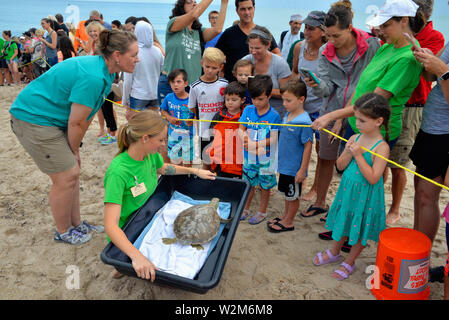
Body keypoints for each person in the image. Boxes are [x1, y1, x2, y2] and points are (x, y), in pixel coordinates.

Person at [9, 29, 139, 245]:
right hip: (33, 118)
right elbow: (76, 122)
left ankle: (77, 223)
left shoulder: (105, 71)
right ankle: (63, 230)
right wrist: (74, 150)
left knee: (73, 171)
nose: (138, 58)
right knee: (66, 176)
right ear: (117, 55)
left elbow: (85, 116)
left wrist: (74, 147)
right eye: (133, 55)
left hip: (52, 118)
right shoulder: (93, 76)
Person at [311, 0, 424, 220]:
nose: (380, 30)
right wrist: (342, 117)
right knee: (350, 177)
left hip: (375, 131)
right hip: (356, 124)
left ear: (404, 21)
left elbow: (373, 102)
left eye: (386, 25)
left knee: (365, 184)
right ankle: (344, 219)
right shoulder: (388, 46)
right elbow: (362, 85)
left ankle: (354, 228)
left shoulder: (407, 58)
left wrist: (330, 116)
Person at [104, 110, 216, 280]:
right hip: (128, 229)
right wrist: (137, 256)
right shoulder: (118, 172)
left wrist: (194, 171)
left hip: (148, 215)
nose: (164, 144)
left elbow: (164, 168)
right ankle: (122, 264)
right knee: (139, 263)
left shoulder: (149, 155)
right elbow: (111, 226)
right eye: (161, 140)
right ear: (145, 138)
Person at [301, 1, 381, 218]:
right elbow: (326, 90)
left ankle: (344, 210)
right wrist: (316, 85)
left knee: (356, 164)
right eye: (328, 35)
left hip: (363, 113)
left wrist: (341, 117)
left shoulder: (372, 45)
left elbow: (373, 83)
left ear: (350, 28)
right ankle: (320, 202)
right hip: (331, 110)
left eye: (336, 36)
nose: (331, 41)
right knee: (326, 158)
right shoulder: (327, 51)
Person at [313, 93, 391, 281]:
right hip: (348, 192)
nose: (357, 124)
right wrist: (348, 151)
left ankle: (350, 261)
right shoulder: (356, 137)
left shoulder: (382, 147)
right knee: (343, 220)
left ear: (379, 121)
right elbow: (339, 166)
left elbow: (373, 178)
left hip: (366, 196)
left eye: (362, 121)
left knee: (361, 226)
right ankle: (334, 252)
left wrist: (358, 155)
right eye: (356, 119)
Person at [385, 0, 445, 225]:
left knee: (399, 163)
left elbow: (432, 72)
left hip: (413, 105)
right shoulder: (395, 33)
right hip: (392, 101)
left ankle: (395, 208)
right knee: (382, 156)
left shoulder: (435, 36)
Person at [409, 43, 449, 245]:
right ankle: (416, 248)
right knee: (420, 191)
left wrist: (442, 69)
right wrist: (427, 61)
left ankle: (420, 258)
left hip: (444, 133)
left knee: (427, 196)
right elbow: (430, 77)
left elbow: (443, 73)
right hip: (431, 127)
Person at [158, 0, 228, 105]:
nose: (194, 4)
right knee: (168, 119)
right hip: (171, 83)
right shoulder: (173, 24)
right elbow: (195, 14)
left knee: (190, 120)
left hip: (191, 86)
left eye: (196, 2)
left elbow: (217, 30)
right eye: (190, 2)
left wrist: (224, 3)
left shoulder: (198, 31)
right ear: (181, 6)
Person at [267, 79, 313, 233]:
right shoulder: (288, 115)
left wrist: (302, 170)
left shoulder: (304, 121)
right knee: (287, 194)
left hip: (295, 168)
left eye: (288, 100)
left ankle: (289, 222)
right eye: (283, 100)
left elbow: (308, 146)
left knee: (293, 196)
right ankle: (285, 216)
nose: (285, 103)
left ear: (301, 99)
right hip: (285, 165)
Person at [291, 11, 326, 205]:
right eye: (305, 27)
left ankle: (315, 189)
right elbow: (295, 73)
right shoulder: (299, 47)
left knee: (322, 152)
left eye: (311, 28)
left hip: (321, 108)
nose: (306, 31)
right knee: (300, 147)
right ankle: (300, 180)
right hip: (302, 107)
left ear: (323, 31)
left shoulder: (328, 50)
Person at [238, 75, 281, 225]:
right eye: (254, 98)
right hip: (249, 157)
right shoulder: (249, 110)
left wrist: (255, 145)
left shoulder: (274, 116)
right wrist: (245, 138)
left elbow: (274, 139)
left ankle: (262, 211)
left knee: (264, 186)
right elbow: (241, 128)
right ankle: (245, 208)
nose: (257, 102)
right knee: (249, 183)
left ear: (269, 96)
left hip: (266, 159)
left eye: (261, 99)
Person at [216, 0, 280, 83]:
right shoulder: (229, 33)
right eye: (243, 9)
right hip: (234, 88)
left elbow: (277, 54)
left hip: (258, 87)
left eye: (249, 8)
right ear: (237, 10)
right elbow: (216, 57)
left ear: (254, 8)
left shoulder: (263, 33)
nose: (247, 12)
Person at [188, 47, 228, 168]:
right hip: (204, 130)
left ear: (220, 67)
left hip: (221, 128)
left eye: (214, 68)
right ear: (202, 63)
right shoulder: (195, 86)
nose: (210, 70)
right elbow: (192, 107)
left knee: (221, 158)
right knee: (206, 159)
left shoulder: (224, 84)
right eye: (207, 66)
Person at [242, 25, 292, 118]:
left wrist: (262, 90)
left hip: (276, 114)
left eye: (257, 48)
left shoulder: (280, 63)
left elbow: (287, 93)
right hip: (253, 114)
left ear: (268, 45)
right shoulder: (246, 61)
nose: (253, 52)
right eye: (251, 47)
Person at [123, 20, 164, 120]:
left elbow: (128, 80)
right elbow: (163, 72)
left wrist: (125, 99)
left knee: (136, 125)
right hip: (155, 94)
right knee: (151, 124)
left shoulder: (133, 52)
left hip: (138, 95)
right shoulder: (157, 51)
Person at [209, 81, 246, 178]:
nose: (230, 102)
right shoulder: (219, 116)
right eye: (227, 99)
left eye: (234, 100)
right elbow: (212, 135)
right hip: (220, 162)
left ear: (242, 100)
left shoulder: (245, 117)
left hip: (237, 163)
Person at [160, 69, 195, 166]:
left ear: (185, 83)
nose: (175, 85)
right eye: (172, 82)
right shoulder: (168, 97)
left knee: (188, 163)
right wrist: (169, 117)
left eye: (178, 82)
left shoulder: (192, 100)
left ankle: (187, 180)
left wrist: (192, 121)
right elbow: (163, 110)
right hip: (173, 136)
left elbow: (197, 115)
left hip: (188, 137)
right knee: (176, 163)